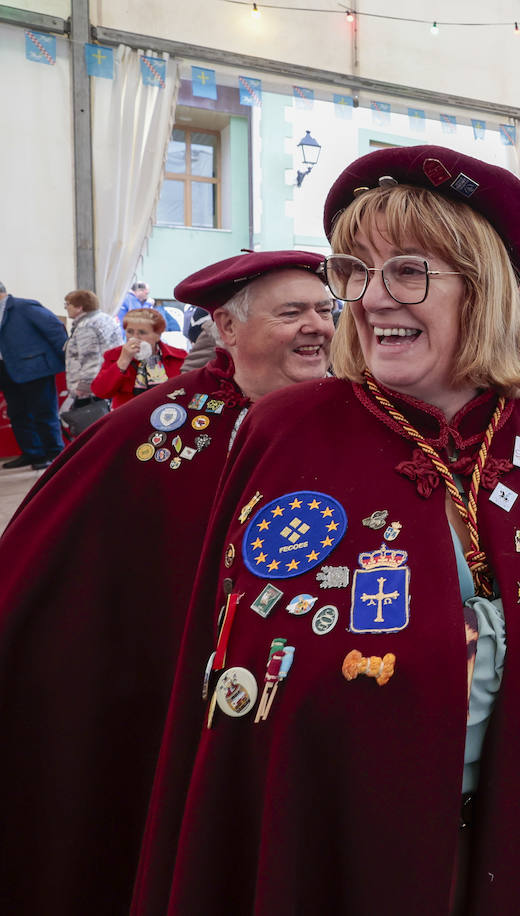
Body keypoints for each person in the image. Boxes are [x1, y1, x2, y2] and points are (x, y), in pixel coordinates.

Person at [133, 146, 520, 915]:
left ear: (485, 288)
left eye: (408, 270)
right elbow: (232, 677)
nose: (371, 299)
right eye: (355, 270)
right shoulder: (285, 433)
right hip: (345, 860)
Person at [0, 250, 334, 914]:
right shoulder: (151, 430)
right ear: (228, 329)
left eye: (325, 311)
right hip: (175, 708)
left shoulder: (352, 417)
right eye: (292, 313)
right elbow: (51, 567)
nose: (317, 328)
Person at [0, 280, 68, 470]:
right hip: (6, 370)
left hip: (35, 367)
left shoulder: (24, 306)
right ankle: (32, 453)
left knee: (44, 413)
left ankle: (54, 454)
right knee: (18, 414)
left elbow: (55, 330)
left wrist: (66, 359)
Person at [92, 307, 187, 408]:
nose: (135, 337)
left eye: (142, 332)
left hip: (167, 416)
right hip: (127, 417)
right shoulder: (114, 355)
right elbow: (101, 392)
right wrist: (123, 361)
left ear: (158, 335)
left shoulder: (179, 356)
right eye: (130, 332)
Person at [61, 288, 122, 412]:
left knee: (88, 424)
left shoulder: (86, 326)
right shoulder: (105, 318)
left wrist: (84, 388)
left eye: (68, 304)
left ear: (80, 307)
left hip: (91, 389)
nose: (66, 308)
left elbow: (90, 358)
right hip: (107, 380)